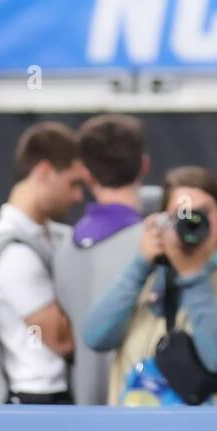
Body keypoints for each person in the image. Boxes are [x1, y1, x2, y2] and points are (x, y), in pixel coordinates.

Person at [82, 166, 217, 406]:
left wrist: (192, 273)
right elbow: (95, 336)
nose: (191, 222)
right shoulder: (145, 275)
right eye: (180, 215)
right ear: (162, 221)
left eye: (201, 214)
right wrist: (140, 265)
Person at [0, 122, 87, 404]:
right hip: (38, 400)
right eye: (73, 183)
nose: (78, 196)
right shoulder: (12, 253)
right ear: (44, 173)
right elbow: (62, 339)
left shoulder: (58, 236)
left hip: (64, 393)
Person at [52, 114, 150, 405]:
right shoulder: (158, 249)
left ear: (86, 174)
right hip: (144, 413)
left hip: (85, 414)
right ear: (144, 165)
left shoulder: (61, 249)